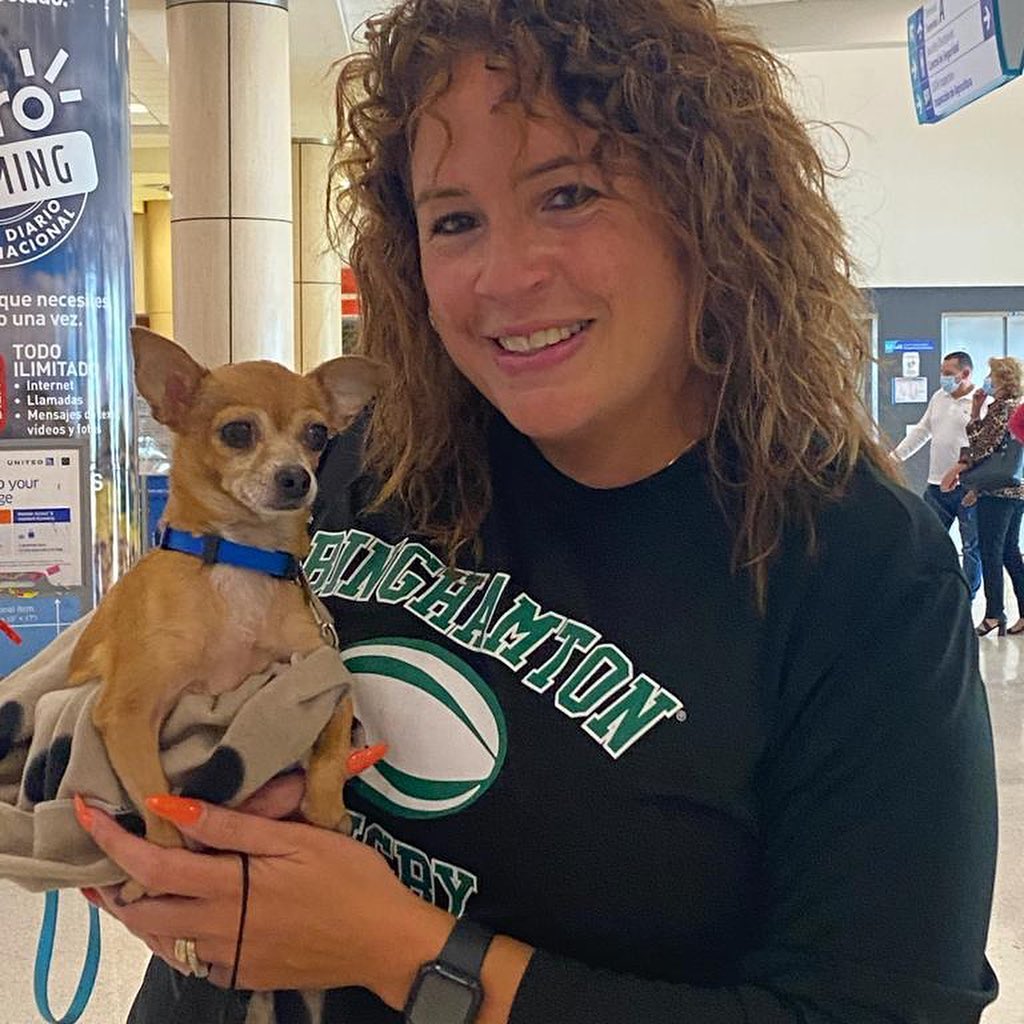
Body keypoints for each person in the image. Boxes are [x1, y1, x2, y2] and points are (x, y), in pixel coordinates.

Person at [75, 2, 998, 1023]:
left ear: (708, 209)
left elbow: (875, 1008)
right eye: (453, 220)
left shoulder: (858, 569)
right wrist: (156, 833)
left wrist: (411, 955)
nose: (504, 277)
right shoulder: (364, 464)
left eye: (567, 194)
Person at [942, 356, 1024, 636]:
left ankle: (993, 614)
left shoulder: (1002, 409)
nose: (988, 379)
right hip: (1015, 490)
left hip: (997, 492)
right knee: (1010, 552)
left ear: (1003, 380)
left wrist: (976, 413)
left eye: (992, 375)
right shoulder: (1016, 408)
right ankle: (1021, 613)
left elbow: (981, 448)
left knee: (991, 550)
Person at [891, 351, 983, 597]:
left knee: (971, 546)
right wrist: (894, 458)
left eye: (948, 374)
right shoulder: (939, 398)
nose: (943, 378)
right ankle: (929, 593)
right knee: (926, 539)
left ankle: (967, 598)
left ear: (965, 374)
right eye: (942, 373)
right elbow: (922, 431)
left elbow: (986, 447)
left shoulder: (981, 403)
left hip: (968, 487)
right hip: (936, 486)